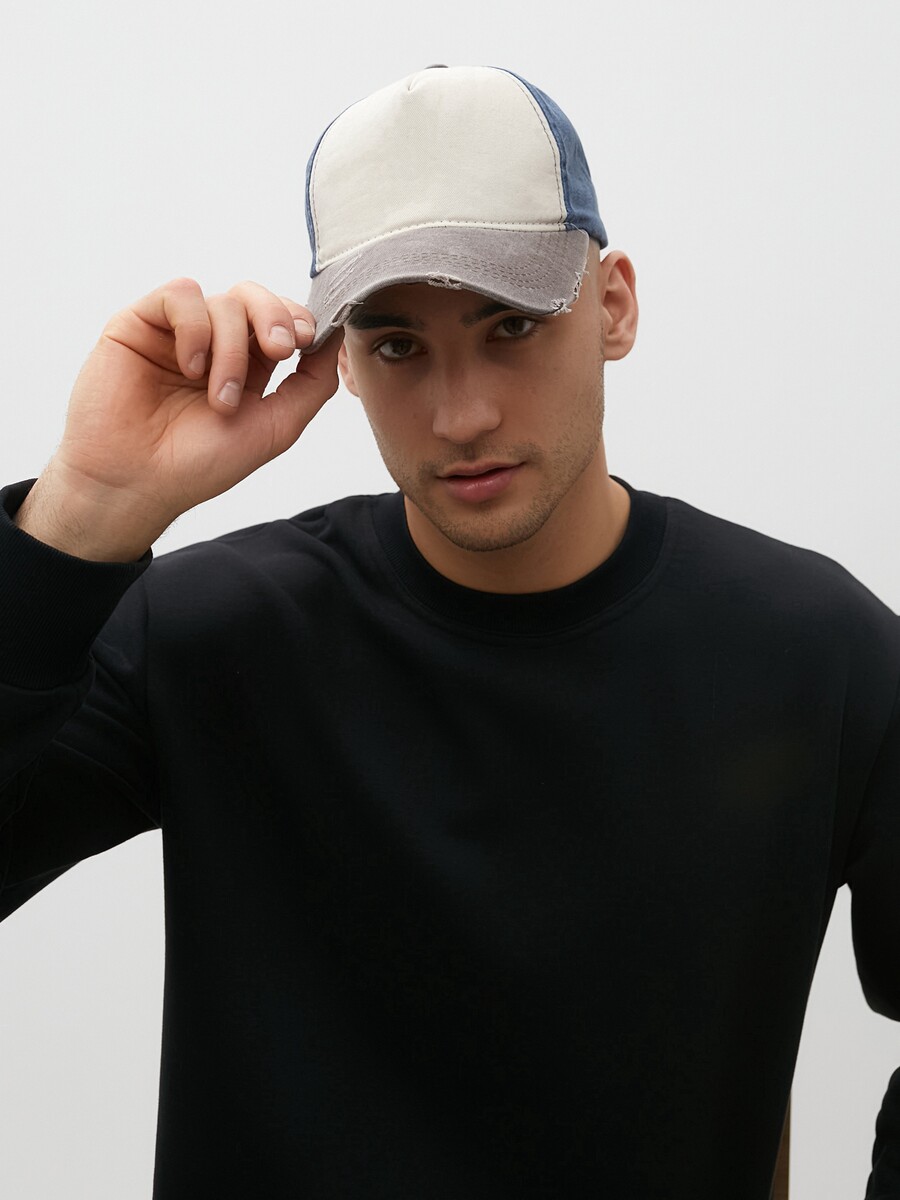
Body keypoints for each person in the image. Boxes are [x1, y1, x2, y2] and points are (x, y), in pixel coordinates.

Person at [0, 63, 897, 1200]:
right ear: (341, 358)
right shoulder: (210, 630)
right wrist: (81, 513)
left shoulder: (815, 654)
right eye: (397, 346)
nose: (462, 414)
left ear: (613, 305)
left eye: (510, 324)